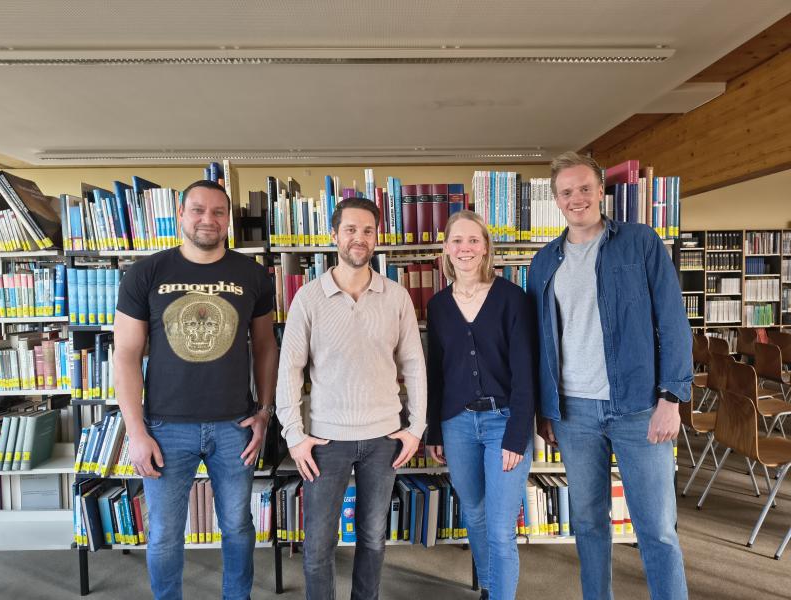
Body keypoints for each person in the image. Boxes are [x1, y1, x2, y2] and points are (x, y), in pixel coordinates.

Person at [528, 152, 692, 600]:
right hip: (573, 414)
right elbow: (540, 341)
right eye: (566, 192)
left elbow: (673, 322)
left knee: (657, 528)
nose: (576, 198)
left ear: (601, 191)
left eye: (585, 188)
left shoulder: (640, 242)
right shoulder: (543, 262)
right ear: (556, 200)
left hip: (640, 408)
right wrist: (546, 408)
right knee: (588, 524)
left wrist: (671, 398)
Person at [114, 180, 279, 600]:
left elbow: (265, 346)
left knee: (238, 526)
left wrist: (264, 412)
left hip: (235, 426)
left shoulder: (253, 275)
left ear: (228, 219)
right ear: (180, 215)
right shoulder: (146, 273)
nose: (208, 219)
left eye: (218, 211)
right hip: (165, 427)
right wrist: (136, 432)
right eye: (198, 210)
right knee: (165, 532)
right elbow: (126, 355)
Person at [275, 196, 426, 600]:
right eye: (350, 229)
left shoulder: (396, 296)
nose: (359, 238)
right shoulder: (308, 298)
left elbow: (414, 364)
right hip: (326, 441)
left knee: (373, 538)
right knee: (318, 544)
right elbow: (289, 370)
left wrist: (416, 428)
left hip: (384, 439)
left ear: (377, 237)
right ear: (334, 235)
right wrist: (294, 435)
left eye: (367, 230)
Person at [425, 210, 536, 600]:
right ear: (446, 249)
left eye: (474, 240)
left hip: (504, 423)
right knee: (474, 513)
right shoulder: (438, 306)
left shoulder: (512, 298)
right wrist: (435, 431)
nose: (465, 248)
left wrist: (518, 436)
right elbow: (436, 372)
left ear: (486, 247)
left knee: (501, 528)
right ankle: (489, 588)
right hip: (457, 425)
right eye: (457, 241)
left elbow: (525, 373)